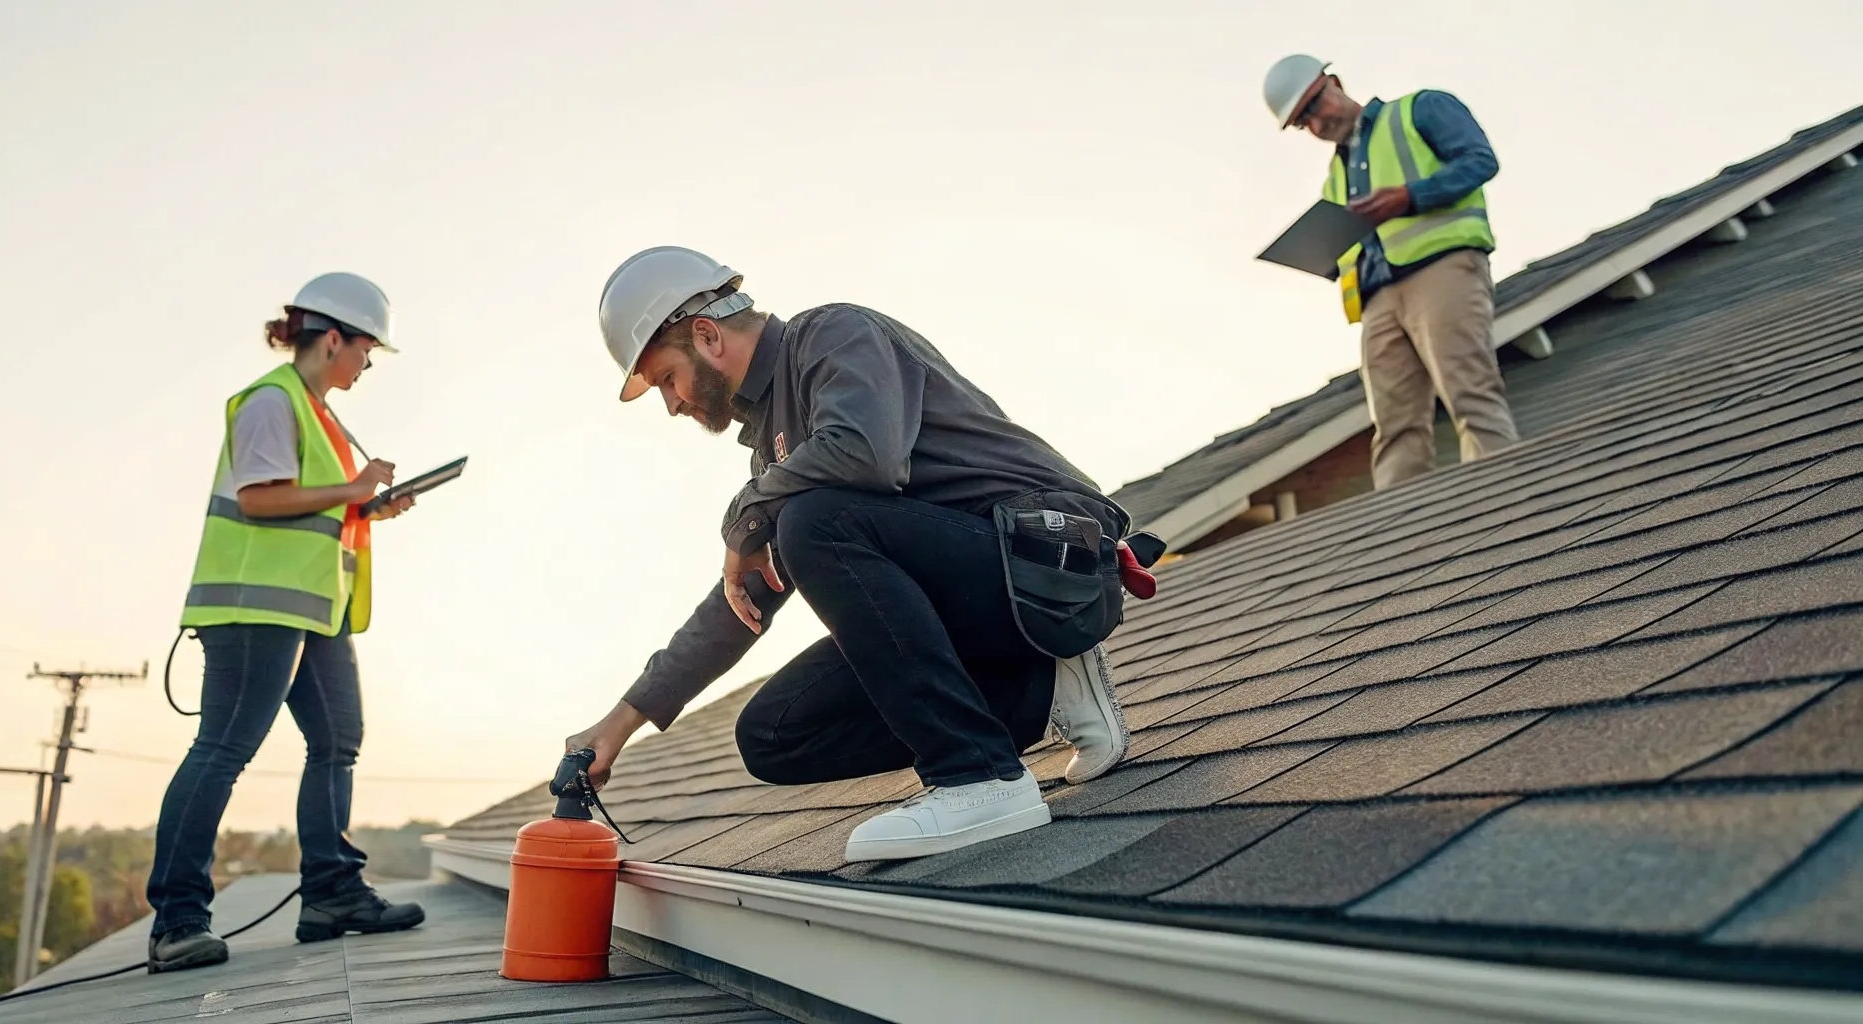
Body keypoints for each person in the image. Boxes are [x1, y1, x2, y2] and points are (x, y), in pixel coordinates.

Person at [564, 246, 1154, 864]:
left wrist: (746, 511)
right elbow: (743, 599)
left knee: (811, 520)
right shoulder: (775, 449)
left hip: (1050, 558)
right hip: (984, 597)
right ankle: (1043, 684)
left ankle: (979, 778)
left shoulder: (834, 334)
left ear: (707, 335)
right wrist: (618, 727)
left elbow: (866, 454)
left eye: (666, 379)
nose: (672, 403)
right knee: (772, 733)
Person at [146, 272, 425, 973]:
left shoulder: (318, 413)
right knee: (223, 749)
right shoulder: (271, 401)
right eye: (366, 349)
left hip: (311, 613)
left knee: (338, 741)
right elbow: (262, 499)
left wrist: (366, 508)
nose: (367, 363)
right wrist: (356, 490)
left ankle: (332, 893)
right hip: (253, 608)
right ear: (333, 338)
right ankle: (177, 922)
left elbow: (309, 504)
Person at [1263, 54, 1520, 490]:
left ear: (1335, 82)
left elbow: (1479, 160)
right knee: (1394, 424)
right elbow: (1348, 250)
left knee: (1469, 391)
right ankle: (1403, 539)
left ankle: (1507, 504)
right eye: (1302, 121)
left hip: (1442, 270)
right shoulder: (1334, 178)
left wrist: (1409, 196)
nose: (1315, 123)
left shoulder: (1419, 110)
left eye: (1313, 105)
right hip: (1378, 299)